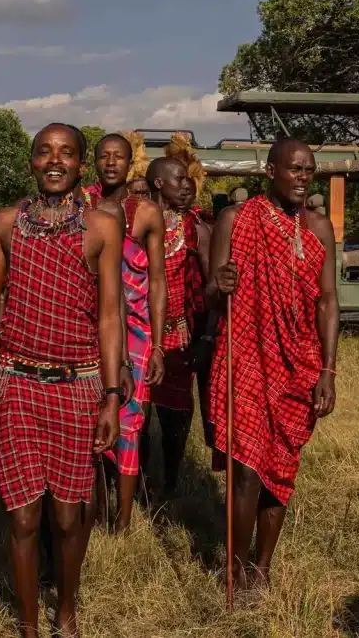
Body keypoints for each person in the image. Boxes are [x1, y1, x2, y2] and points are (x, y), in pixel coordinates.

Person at [0, 123, 124, 638]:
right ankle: (30, 626)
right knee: (24, 517)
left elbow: (109, 317)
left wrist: (113, 397)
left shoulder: (102, 226)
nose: (55, 161)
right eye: (44, 153)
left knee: (69, 516)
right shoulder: (6, 223)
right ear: (31, 162)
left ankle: (67, 613)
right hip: (18, 382)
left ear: (81, 165)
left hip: (79, 383)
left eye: (67, 153)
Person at [207, 137, 339, 591]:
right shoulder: (234, 220)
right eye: (295, 169)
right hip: (243, 354)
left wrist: (328, 371)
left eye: (309, 171)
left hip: (298, 362)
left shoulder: (320, 229)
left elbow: (327, 301)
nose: (303, 177)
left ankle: (263, 568)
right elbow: (207, 294)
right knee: (246, 467)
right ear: (271, 171)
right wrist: (219, 284)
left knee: (280, 465)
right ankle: (235, 570)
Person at [87, 132, 166, 533]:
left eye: (119, 156)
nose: (112, 163)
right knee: (92, 412)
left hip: (135, 330)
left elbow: (157, 281)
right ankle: (95, 509)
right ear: (95, 161)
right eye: (104, 156)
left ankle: (123, 520)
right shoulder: (82, 205)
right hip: (90, 323)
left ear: (130, 161)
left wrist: (158, 347)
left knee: (130, 421)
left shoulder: (147, 212)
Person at [140, 134, 211, 496]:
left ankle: (168, 484)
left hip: (178, 335)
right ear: (158, 183)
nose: (188, 185)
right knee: (137, 414)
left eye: (188, 179)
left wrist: (205, 338)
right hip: (137, 334)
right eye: (179, 179)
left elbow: (207, 289)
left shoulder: (196, 228)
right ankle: (136, 483)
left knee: (176, 414)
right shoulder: (133, 224)